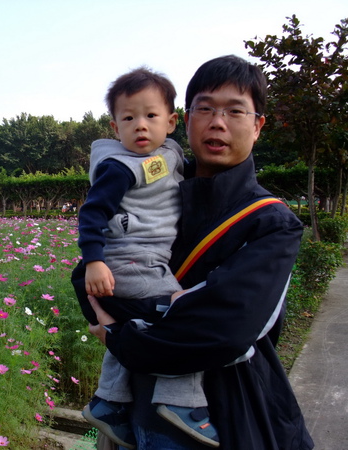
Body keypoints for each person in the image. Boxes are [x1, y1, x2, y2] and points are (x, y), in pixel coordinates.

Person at [88, 55, 314, 449]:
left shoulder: (271, 222)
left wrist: (120, 337)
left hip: (224, 412)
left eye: (235, 110)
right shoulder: (148, 190)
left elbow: (221, 333)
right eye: (205, 108)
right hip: (136, 409)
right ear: (186, 119)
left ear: (258, 125)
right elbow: (88, 279)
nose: (218, 122)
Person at [72, 67, 219, 449]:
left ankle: (110, 403)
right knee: (182, 316)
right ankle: (182, 402)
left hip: (145, 261)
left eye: (151, 116)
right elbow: (91, 213)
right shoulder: (118, 168)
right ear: (114, 126)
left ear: (171, 122)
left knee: (134, 325)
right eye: (129, 118)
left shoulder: (169, 153)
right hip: (129, 260)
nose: (140, 126)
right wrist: (94, 260)